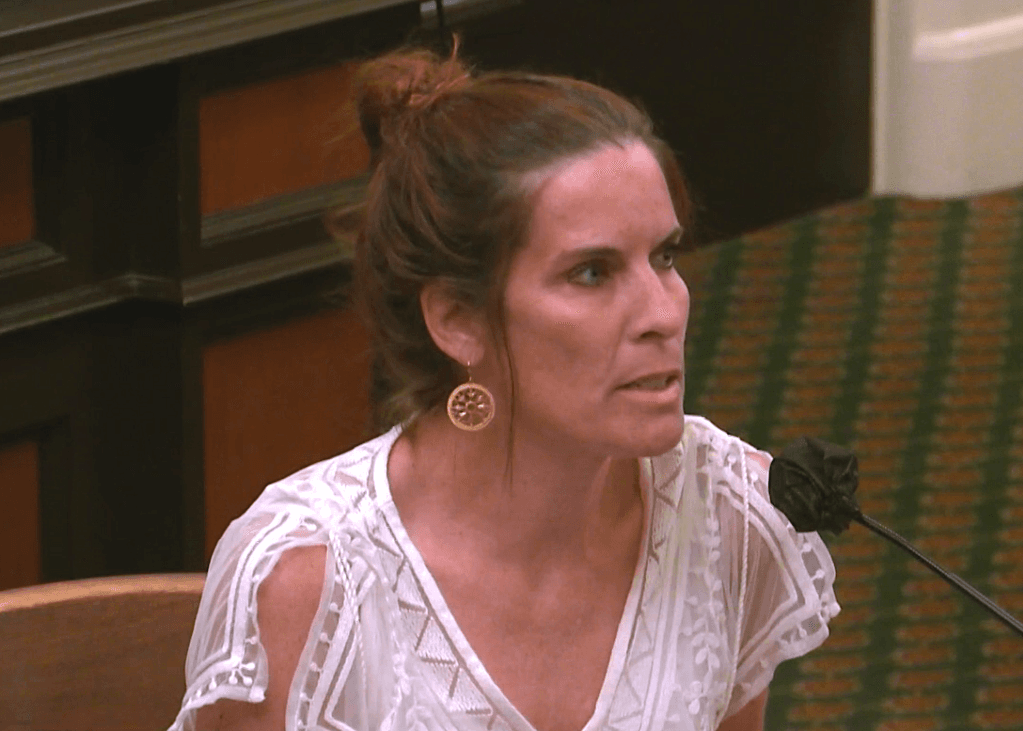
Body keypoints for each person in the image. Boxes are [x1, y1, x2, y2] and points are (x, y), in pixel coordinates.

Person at [168, 39, 839, 731]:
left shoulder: (731, 517)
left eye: (664, 257)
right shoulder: (310, 587)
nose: (664, 313)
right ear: (458, 320)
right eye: (592, 273)